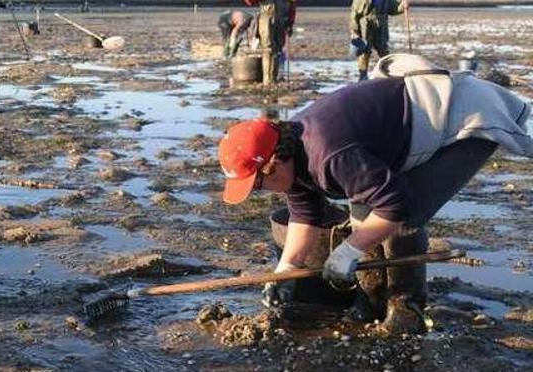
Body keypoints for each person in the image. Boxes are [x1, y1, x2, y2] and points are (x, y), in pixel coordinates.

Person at [216, 54, 533, 333]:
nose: (258, 191)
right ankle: (372, 301)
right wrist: (282, 274)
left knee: (407, 220)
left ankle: (406, 310)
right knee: (363, 219)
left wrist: (348, 251)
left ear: (274, 162)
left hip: (463, 120)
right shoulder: (291, 158)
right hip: (400, 134)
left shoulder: (328, 155)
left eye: (257, 183)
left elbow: (396, 206)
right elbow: (304, 215)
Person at [240, 0, 297, 84]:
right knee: (268, 50)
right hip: (266, 25)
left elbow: (292, 12)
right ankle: (267, 80)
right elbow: (253, 1)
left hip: (280, 25)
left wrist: (290, 25)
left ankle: (273, 78)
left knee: (277, 51)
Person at [351, 0, 410, 81]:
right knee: (364, 52)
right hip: (366, 28)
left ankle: (387, 73)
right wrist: (354, 31)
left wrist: (402, 6)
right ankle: (363, 76)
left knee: (383, 51)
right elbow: (354, 16)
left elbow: (394, 9)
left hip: (381, 28)